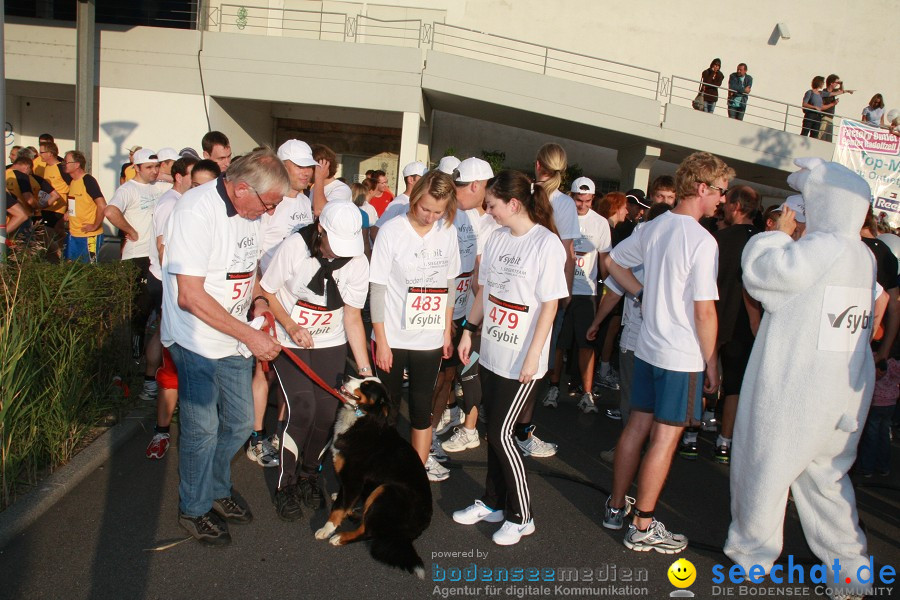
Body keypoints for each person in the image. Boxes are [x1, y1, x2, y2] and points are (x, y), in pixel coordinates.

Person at [726, 158, 881, 599]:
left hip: (796, 390)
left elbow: (763, 277)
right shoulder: (863, 255)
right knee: (826, 484)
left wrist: (777, 233)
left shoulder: (825, 247)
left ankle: (751, 557)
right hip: (842, 396)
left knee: (764, 471)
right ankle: (850, 572)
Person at [603, 151, 732, 553]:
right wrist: (713, 362)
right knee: (663, 439)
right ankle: (641, 525)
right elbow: (705, 310)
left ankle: (614, 506)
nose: (722, 201)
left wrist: (641, 294)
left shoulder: (654, 227)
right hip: (680, 356)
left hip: (648, 348)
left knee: (636, 429)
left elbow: (610, 262)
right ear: (702, 187)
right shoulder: (702, 240)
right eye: (720, 192)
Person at [161, 148, 289, 546]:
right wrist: (251, 335)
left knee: (238, 421)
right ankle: (194, 508)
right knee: (202, 430)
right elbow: (190, 297)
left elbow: (246, 270)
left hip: (233, 337)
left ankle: (216, 487)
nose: (268, 212)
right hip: (195, 337)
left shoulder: (248, 212)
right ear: (240, 188)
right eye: (268, 203)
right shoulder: (195, 212)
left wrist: (261, 303)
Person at [453, 170, 568, 546]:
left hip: (523, 359)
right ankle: (493, 502)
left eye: (493, 206)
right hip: (494, 351)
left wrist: (534, 355)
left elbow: (550, 305)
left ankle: (522, 515)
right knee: (493, 431)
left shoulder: (546, 244)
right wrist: (469, 330)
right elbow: (485, 292)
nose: (489, 212)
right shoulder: (498, 238)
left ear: (514, 204)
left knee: (503, 434)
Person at [260, 201, 372, 520]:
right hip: (288, 336)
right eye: (335, 244)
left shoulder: (358, 261)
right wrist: (291, 326)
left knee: (327, 410)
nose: (339, 253)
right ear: (320, 228)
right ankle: (287, 484)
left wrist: (365, 372)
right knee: (302, 407)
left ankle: (310, 474)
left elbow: (352, 317)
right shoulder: (294, 246)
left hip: (330, 338)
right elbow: (268, 291)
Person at [369, 169, 460, 482]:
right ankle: (383, 469)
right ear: (415, 198)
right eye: (425, 209)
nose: (431, 216)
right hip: (392, 333)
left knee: (421, 407)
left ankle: (415, 475)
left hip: (429, 335)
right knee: (389, 409)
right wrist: (381, 340)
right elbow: (377, 287)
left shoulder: (447, 231)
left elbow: (449, 283)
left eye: (438, 211)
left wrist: (447, 330)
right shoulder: (392, 231)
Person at [523, 143, 579, 457]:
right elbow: (568, 254)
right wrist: (566, 292)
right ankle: (521, 429)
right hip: (547, 291)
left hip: (519, 285)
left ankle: (503, 423)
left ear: (538, 165)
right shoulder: (565, 203)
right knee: (538, 360)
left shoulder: (526, 192)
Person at [441, 157, 498, 454]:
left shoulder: (492, 223)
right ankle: (465, 419)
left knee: (472, 372)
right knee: (464, 370)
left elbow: (482, 279)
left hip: (483, 315)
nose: (455, 191)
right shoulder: (460, 214)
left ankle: (471, 429)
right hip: (464, 310)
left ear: (476, 186)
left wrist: (478, 316)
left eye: (459, 186)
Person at [144, 154, 199, 459]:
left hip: (206, 311)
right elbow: (165, 254)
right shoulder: (173, 207)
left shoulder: (208, 213)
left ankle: (194, 437)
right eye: (195, 180)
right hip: (180, 301)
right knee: (171, 371)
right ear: (181, 177)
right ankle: (161, 431)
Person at [545, 176, 611, 412]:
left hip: (587, 292)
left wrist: (609, 288)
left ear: (593, 199)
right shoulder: (560, 215)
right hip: (561, 288)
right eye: (578, 200)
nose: (582, 205)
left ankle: (587, 392)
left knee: (586, 344)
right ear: (570, 197)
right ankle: (553, 386)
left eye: (587, 201)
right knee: (559, 343)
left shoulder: (601, 223)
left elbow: (605, 260)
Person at [706, 186, 761, 465]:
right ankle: (724, 442)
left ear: (737, 207)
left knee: (706, 373)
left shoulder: (717, 240)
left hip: (713, 316)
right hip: (742, 323)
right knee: (735, 385)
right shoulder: (763, 242)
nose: (724, 207)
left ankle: (692, 432)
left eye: (727, 203)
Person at [63, 150, 107, 263]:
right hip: (74, 233)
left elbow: (102, 205)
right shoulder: (73, 182)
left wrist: (95, 225)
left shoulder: (88, 180)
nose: (64, 164)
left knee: (89, 269)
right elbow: (78, 201)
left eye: (66, 162)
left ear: (77, 164)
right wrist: (69, 212)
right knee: (72, 267)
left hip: (89, 236)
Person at [372, 161, 427, 236]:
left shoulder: (418, 202)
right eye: (422, 178)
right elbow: (376, 230)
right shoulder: (399, 203)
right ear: (410, 179)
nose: (426, 181)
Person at [309, 144, 352, 215]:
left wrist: (319, 177)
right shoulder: (315, 187)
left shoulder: (342, 189)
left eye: (310, 167)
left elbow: (320, 211)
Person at [819, 75, 854, 142]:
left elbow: (841, 90)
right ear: (831, 83)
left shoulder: (833, 91)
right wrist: (833, 104)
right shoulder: (824, 92)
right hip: (824, 118)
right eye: (836, 83)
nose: (837, 84)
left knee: (828, 141)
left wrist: (841, 84)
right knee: (821, 139)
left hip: (831, 119)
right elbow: (821, 107)